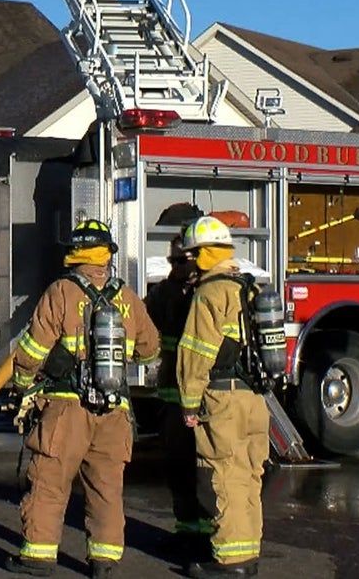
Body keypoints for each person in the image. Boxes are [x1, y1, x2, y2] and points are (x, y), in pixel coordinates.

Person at [6, 219, 160, 579]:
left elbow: (32, 350)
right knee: (106, 488)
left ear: (74, 253)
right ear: (108, 254)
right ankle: (104, 562)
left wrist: (23, 385)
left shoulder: (61, 291)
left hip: (67, 408)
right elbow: (150, 348)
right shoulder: (126, 297)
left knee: (49, 481)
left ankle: (38, 558)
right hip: (115, 410)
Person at [176, 216, 270, 578]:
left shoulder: (210, 293)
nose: (187, 263)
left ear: (203, 255)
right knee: (249, 476)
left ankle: (231, 564)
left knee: (223, 476)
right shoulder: (250, 289)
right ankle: (247, 556)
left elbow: (196, 352)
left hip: (222, 399)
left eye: (190, 256)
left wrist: (188, 402)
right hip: (254, 399)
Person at [145, 234, 213, 558]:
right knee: (179, 468)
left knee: (208, 471)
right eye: (173, 261)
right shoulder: (164, 293)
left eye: (182, 261)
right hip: (174, 397)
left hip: (206, 398)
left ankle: (212, 537)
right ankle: (187, 532)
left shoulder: (210, 291)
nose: (176, 267)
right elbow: (147, 321)